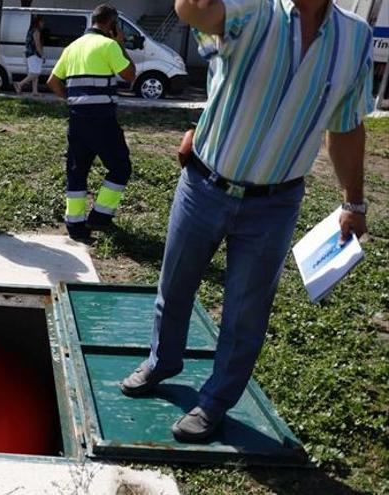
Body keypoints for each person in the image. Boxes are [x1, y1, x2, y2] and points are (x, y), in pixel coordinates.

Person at [120, 0, 372, 442]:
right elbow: (192, 11)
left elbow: (346, 126)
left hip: (275, 204)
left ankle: (215, 401)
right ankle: (163, 361)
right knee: (176, 284)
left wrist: (354, 202)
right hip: (205, 184)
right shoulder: (251, 9)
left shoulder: (355, 38)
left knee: (246, 311)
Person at [46, 4, 136, 241]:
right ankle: (99, 217)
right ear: (112, 24)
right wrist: (120, 44)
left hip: (77, 118)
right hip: (102, 119)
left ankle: (75, 226)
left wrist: (74, 98)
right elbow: (129, 75)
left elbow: (53, 82)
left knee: (77, 170)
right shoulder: (108, 45)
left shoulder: (73, 47)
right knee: (120, 167)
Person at [14, 15, 44, 96]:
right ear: (38, 22)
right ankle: (19, 84)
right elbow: (37, 44)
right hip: (34, 54)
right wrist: (42, 55)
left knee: (35, 74)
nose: (43, 24)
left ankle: (35, 91)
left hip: (30, 54)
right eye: (42, 22)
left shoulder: (30, 30)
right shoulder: (36, 31)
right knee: (35, 73)